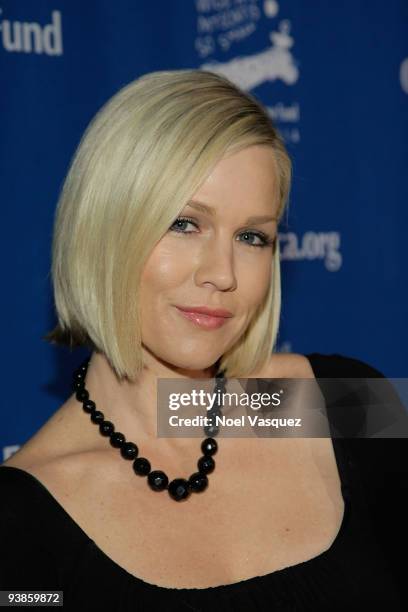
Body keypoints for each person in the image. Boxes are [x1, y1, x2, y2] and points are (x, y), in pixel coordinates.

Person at [0, 69, 405, 611]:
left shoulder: (340, 400)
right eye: (185, 224)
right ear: (105, 229)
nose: (224, 273)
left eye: (251, 236)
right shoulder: (20, 525)